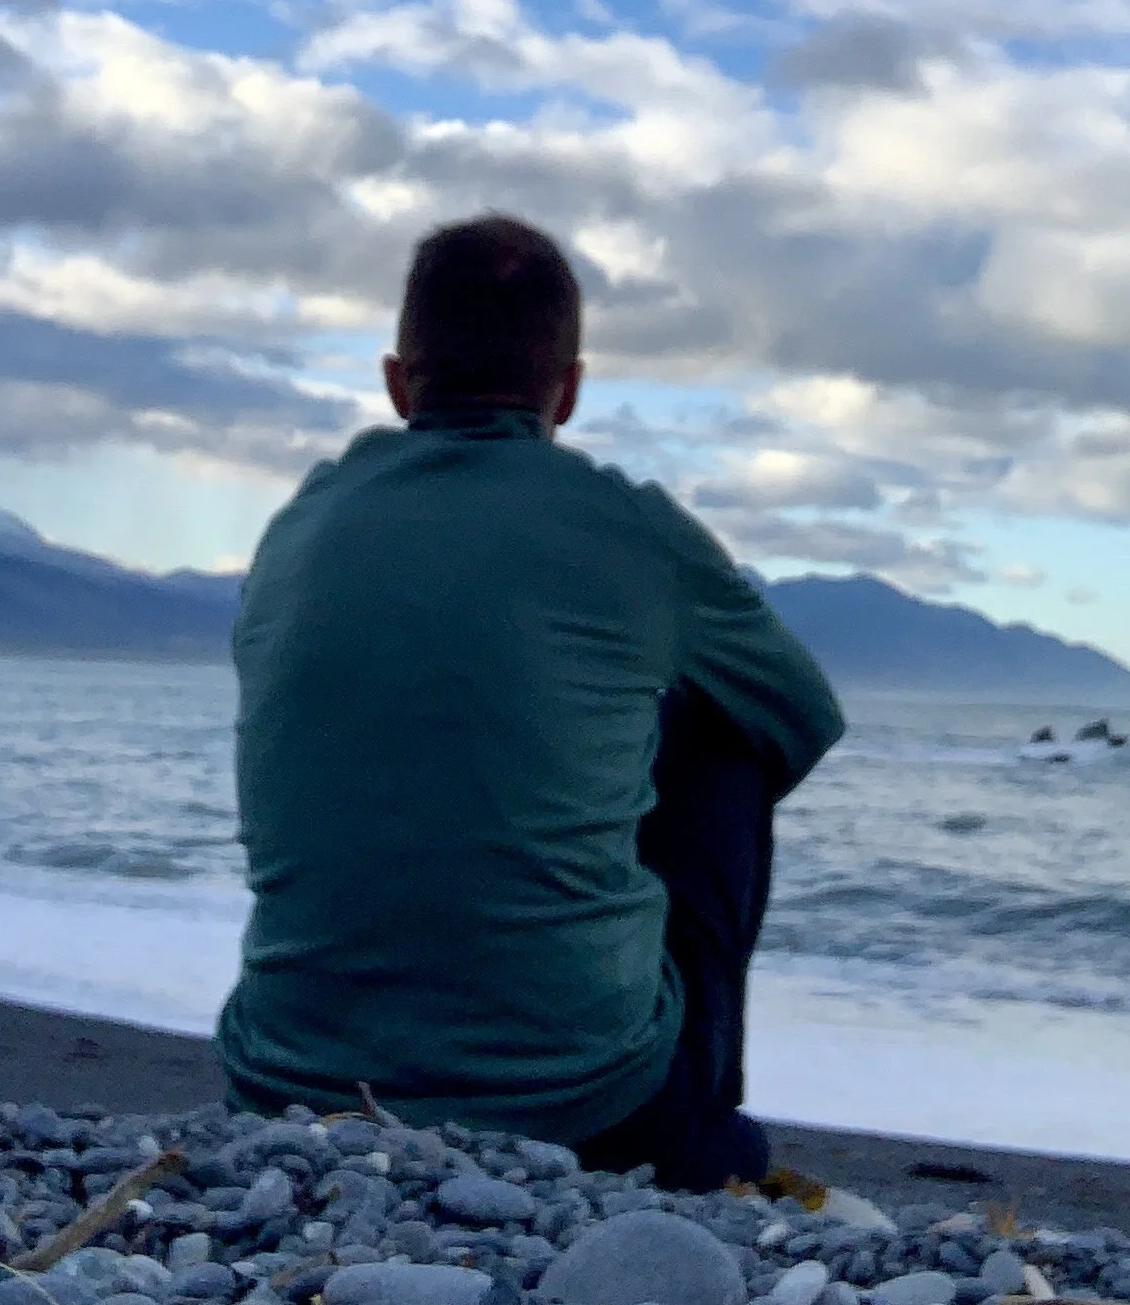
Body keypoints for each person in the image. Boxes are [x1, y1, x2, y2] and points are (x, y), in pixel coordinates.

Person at [215, 211, 844, 1187]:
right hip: (590, 1105)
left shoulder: (302, 522)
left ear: (394, 382)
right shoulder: (626, 525)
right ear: (571, 390)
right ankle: (698, 1120)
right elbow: (798, 715)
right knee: (724, 731)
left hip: (279, 1081)